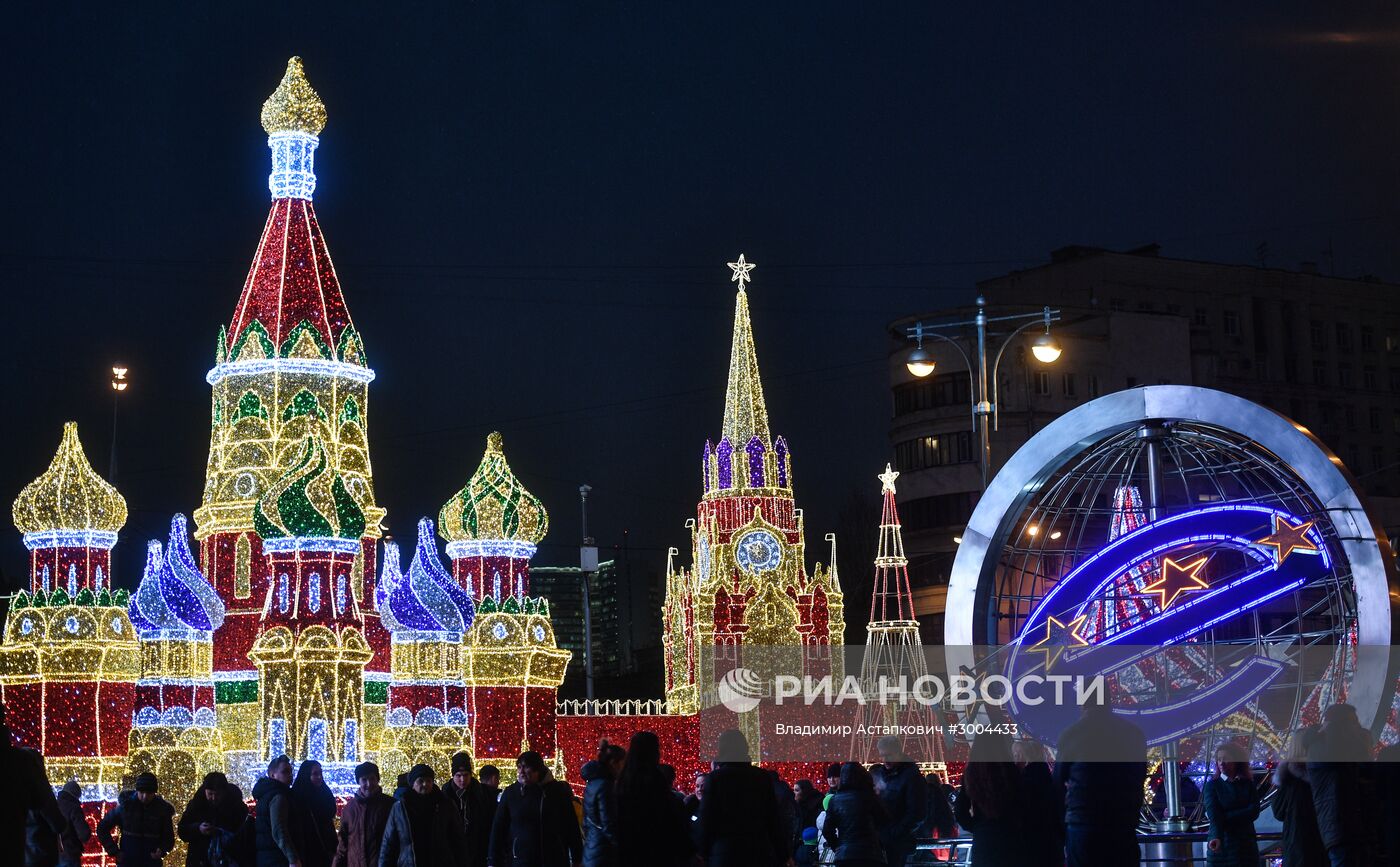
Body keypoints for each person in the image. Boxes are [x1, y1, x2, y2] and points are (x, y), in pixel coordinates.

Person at [1053, 700, 1148, 867]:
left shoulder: (1072, 734)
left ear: (1083, 703)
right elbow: (1139, 775)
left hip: (1084, 826)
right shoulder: (1133, 733)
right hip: (1122, 826)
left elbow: (1057, 783)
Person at [697, 729, 785, 867]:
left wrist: (702, 851)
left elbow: (707, 817)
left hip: (725, 851)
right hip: (758, 851)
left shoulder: (716, 778)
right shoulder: (762, 777)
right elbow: (773, 817)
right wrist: (783, 853)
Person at [1307, 704, 1379, 867]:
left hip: (1342, 826)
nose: (1358, 727)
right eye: (1353, 722)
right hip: (1343, 825)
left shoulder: (1319, 748)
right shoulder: (1325, 750)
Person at [488, 751, 582, 867]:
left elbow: (571, 825)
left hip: (553, 859)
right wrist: (493, 860)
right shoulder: (511, 793)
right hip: (521, 859)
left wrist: (577, 858)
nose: (521, 772)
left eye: (526, 767)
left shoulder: (557, 792)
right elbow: (498, 827)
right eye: (519, 767)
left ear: (538, 769)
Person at [615, 731, 691, 867]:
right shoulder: (654, 778)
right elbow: (667, 816)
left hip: (629, 849)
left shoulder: (623, 780)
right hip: (654, 848)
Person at [953, 732, 1028, 866]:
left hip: (983, 841)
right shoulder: (1010, 770)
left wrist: (976, 826)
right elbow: (1023, 804)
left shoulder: (971, 773)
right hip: (1010, 839)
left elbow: (959, 810)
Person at [380, 764, 467, 867]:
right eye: (420, 781)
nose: (425, 784)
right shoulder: (400, 808)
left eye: (429, 780)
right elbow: (389, 843)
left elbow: (457, 839)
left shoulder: (445, 805)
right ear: (413, 784)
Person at [1272, 730, 1327, 867]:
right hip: (1324, 841)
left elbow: (1278, 812)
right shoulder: (1325, 773)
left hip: (1296, 844)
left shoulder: (1288, 779)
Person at [97, 772, 176, 867]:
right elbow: (102, 827)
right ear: (137, 791)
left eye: (149, 793)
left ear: (154, 793)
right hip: (128, 862)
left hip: (150, 862)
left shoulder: (162, 810)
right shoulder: (126, 807)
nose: (145, 796)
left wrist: (162, 850)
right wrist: (115, 852)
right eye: (142, 792)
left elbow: (169, 837)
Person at [1203, 743, 1260, 867]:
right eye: (1219, 759)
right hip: (1224, 845)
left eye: (1226, 758)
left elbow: (1254, 811)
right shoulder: (1213, 786)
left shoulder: (1247, 784)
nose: (1222, 763)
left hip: (1246, 847)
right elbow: (1214, 816)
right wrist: (1242, 813)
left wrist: (1225, 816)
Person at [820, 762, 886, 867]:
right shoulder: (871, 797)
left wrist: (838, 847)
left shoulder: (835, 800)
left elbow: (827, 830)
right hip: (870, 854)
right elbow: (884, 822)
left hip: (844, 855)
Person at [178, 772, 249, 867]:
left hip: (227, 859)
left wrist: (221, 832)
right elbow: (182, 830)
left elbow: (242, 835)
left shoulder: (237, 807)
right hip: (200, 859)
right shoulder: (196, 805)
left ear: (224, 792)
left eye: (217, 794)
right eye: (210, 794)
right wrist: (198, 828)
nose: (213, 798)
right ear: (205, 791)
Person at [874, 736, 925, 867]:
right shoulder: (881, 774)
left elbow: (917, 812)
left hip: (897, 844)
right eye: (882, 756)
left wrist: (894, 832)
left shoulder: (912, 776)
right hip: (883, 841)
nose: (885, 760)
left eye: (888, 755)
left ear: (898, 752)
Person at [1014, 739, 1064, 866]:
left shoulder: (1022, 784)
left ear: (1023, 756)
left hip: (1029, 849)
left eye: (1015, 754)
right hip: (1053, 848)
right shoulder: (1049, 779)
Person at [334, 762, 393, 867]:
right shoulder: (350, 808)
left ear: (377, 780)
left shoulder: (390, 805)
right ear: (359, 782)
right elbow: (343, 844)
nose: (369, 784)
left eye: (372, 779)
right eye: (364, 780)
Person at [443, 752, 492, 866]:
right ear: (453, 776)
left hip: (477, 849)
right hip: (453, 850)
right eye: (458, 776)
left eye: (465, 775)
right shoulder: (445, 795)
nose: (462, 780)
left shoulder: (481, 793)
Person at [253, 755, 302, 867]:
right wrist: (292, 858)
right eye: (285, 772)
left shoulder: (266, 793)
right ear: (273, 775)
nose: (290, 775)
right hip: (278, 858)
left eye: (290, 771)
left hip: (269, 857)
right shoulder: (278, 796)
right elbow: (279, 829)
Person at [581, 741, 623, 867]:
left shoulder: (593, 782)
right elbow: (608, 823)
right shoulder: (606, 785)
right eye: (622, 763)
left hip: (592, 848)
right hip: (604, 852)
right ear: (614, 763)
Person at [292, 761, 337, 867]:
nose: (319, 777)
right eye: (315, 774)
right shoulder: (298, 797)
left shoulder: (324, 792)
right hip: (306, 851)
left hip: (326, 850)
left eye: (320, 773)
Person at [56, 780, 91, 867]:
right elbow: (84, 834)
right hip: (70, 853)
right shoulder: (74, 808)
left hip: (54, 854)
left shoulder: (54, 805)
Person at [793, 780, 824, 866]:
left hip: (814, 847)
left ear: (804, 791)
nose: (794, 793)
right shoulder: (798, 805)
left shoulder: (816, 803)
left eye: (797, 790)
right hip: (803, 847)